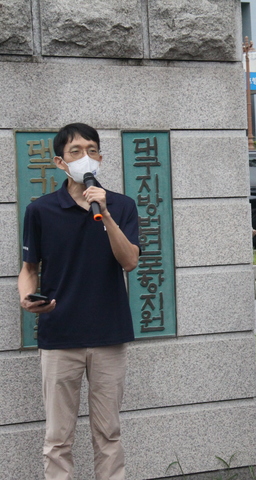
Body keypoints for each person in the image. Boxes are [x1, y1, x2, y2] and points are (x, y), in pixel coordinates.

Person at [18, 123, 140, 480]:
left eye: (91, 149)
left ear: (100, 157)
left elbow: (129, 261)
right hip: (59, 337)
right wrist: (26, 297)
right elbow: (28, 268)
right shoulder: (40, 210)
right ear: (60, 162)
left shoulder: (121, 205)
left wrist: (105, 213)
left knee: (109, 435)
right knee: (58, 438)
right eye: (75, 151)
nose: (85, 156)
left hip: (109, 335)